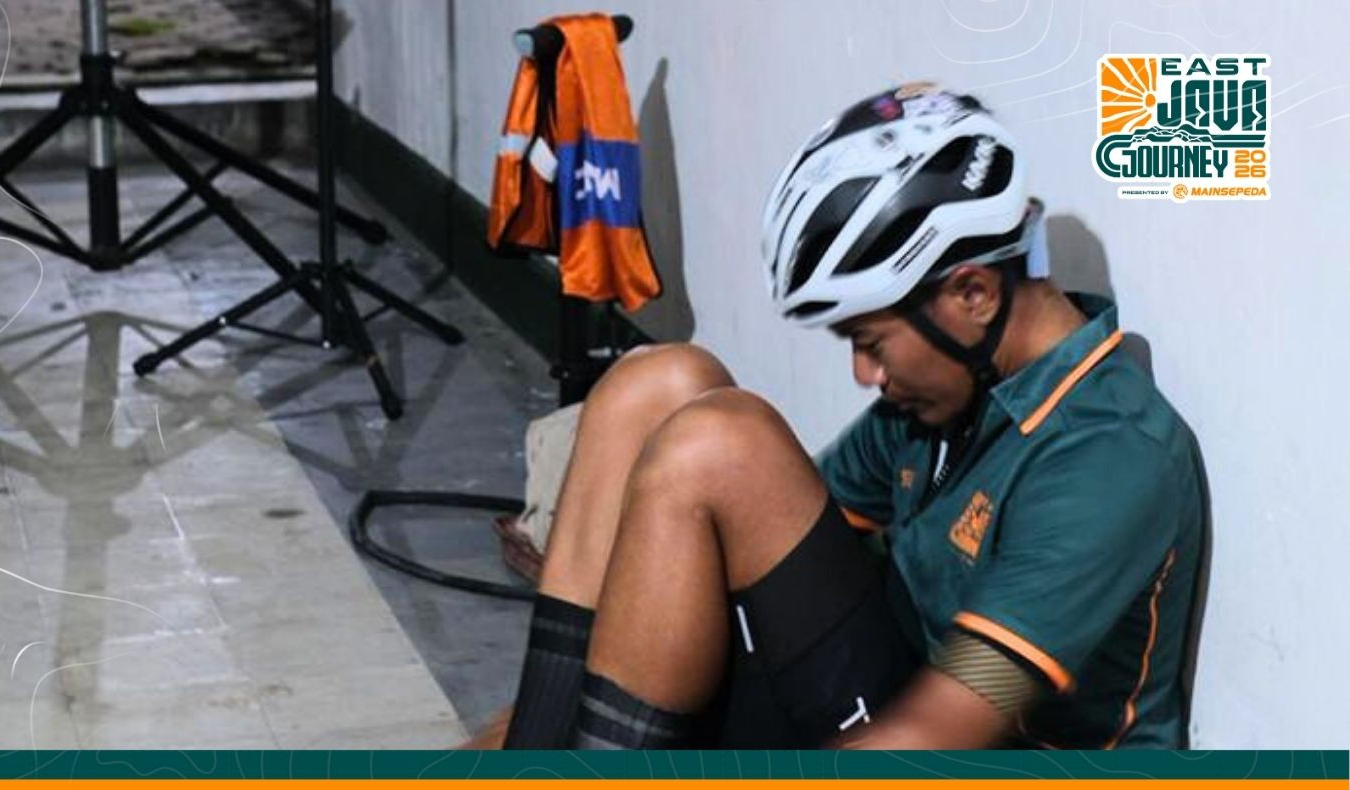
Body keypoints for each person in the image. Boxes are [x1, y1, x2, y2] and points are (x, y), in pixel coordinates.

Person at [476, 84, 1207, 750]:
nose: (865, 375)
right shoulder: (949, 395)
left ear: (974, 294)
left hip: (963, 741)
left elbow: (941, 729)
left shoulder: (1108, 458)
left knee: (716, 445)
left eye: (870, 342)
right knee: (655, 382)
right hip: (887, 693)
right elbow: (765, 534)